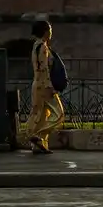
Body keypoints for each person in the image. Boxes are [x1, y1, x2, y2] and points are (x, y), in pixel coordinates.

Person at [26, 20, 65, 155]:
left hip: (36, 84)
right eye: (50, 29)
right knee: (59, 114)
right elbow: (44, 69)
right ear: (45, 31)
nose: (51, 32)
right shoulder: (43, 47)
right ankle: (36, 135)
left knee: (39, 114)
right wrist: (50, 86)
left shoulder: (35, 46)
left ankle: (39, 145)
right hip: (44, 85)